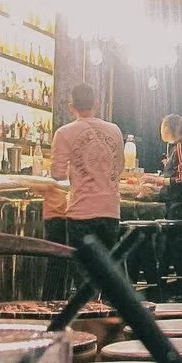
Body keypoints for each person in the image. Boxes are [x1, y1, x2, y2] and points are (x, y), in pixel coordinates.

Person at [49, 83, 124, 250]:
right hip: (110, 212)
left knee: (81, 264)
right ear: (96, 104)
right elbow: (119, 168)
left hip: (81, 212)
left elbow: (57, 173)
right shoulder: (115, 130)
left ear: (71, 107)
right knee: (107, 265)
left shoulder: (63, 133)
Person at [158, 114, 182, 220]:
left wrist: (157, 180)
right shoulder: (174, 149)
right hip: (170, 202)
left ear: (167, 128)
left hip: (177, 205)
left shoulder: (179, 150)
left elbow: (180, 179)